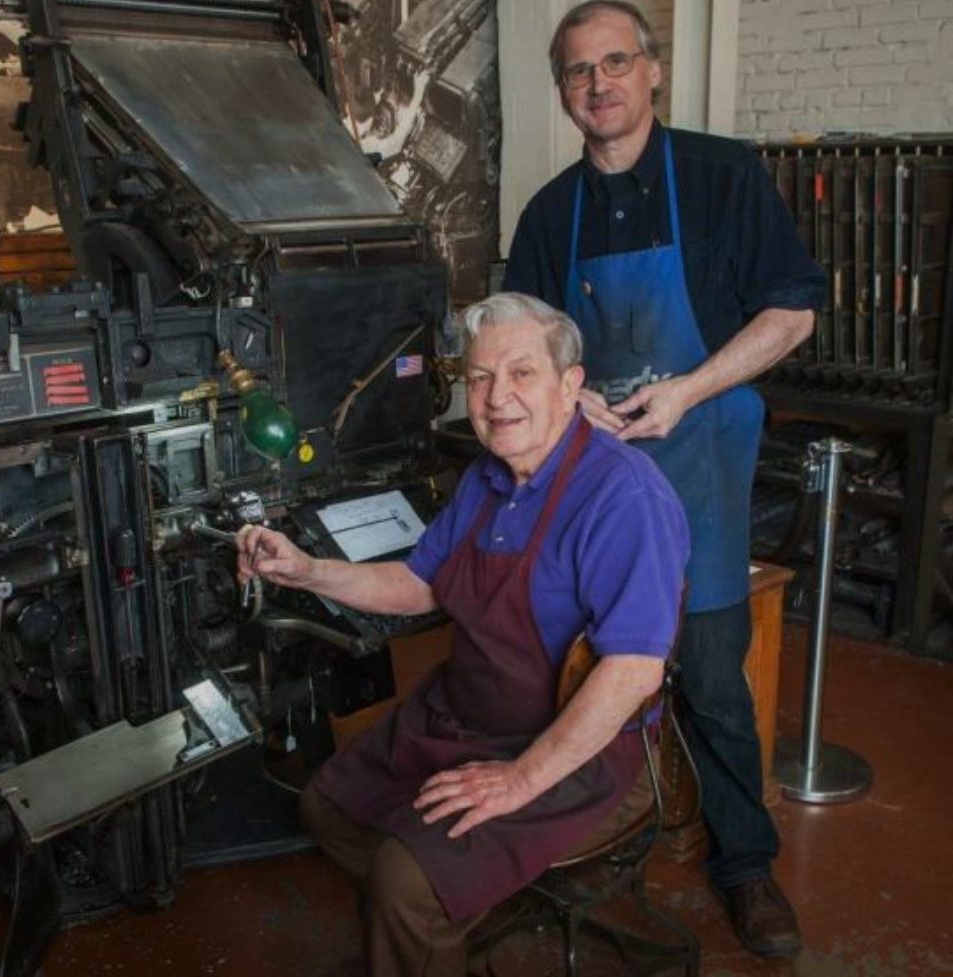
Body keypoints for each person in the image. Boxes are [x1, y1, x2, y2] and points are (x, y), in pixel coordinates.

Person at [503, 0, 827, 958]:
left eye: (615, 63)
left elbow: (793, 312)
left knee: (714, 681)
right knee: (571, 669)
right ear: (561, 91)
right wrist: (567, 402)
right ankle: (580, 836)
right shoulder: (549, 212)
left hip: (700, 468)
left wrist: (686, 389)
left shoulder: (726, 177)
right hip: (592, 479)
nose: (597, 84)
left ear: (652, 71)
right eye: (576, 71)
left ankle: (745, 863)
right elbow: (517, 338)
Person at [236, 294, 689, 977]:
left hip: (575, 749)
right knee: (328, 807)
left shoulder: (624, 497)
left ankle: (421, 914)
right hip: (465, 714)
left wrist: (518, 780)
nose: (497, 396)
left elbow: (632, 672)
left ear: (572, 385)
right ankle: (433, 926)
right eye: (479, 377)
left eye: (522, 373)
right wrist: (305, 570)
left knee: (406, 881)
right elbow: (421, 583)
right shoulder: (486, 477)